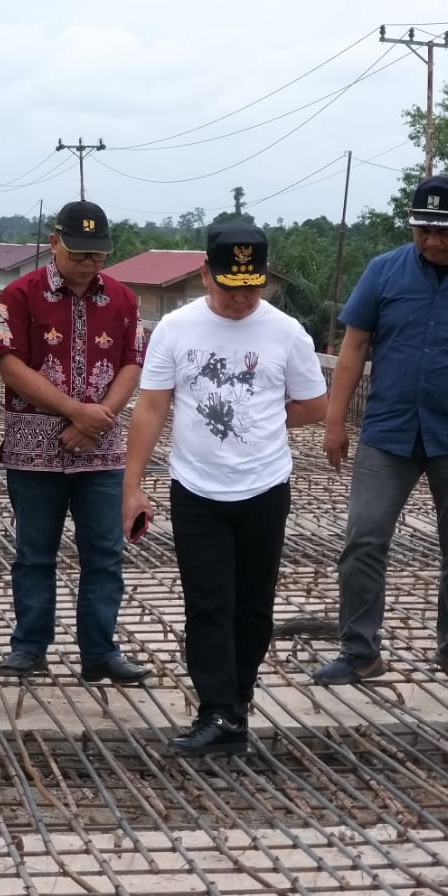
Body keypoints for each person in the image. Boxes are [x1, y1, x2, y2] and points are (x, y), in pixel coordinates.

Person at [313, 175, 448, 686]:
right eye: (421, 230)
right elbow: (353, 348)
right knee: (363, 539)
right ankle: (359, 650)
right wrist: (335, 421)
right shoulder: (383, 272)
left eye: (442, 231)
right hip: (388, 434)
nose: (431, 241)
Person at [124, 223, 327, 754]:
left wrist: (260, 417)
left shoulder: (286, 333)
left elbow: (315, 405)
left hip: (263, 486)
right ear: (204, 274)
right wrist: (132, 485)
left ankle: (235, 704)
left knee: (254, 605)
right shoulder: (175, 329)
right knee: (208, 602)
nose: (240, 299)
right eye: (229, 286)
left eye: (252, 287)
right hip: (196, 488)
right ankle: (217, 710)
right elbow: (151, 406)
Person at [0, 200, 150, 684]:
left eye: (97, 255)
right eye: (79, 254)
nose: (89, 263)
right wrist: (74, 410)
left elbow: (131, 362)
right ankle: (30, 645)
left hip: (101, 450)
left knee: (104, 553)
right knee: (35, 552)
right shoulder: (20, 295)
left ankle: (100, 651)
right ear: (55, 243)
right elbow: (9, 363)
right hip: (34, 450)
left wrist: (99, 418)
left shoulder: (123, 298)